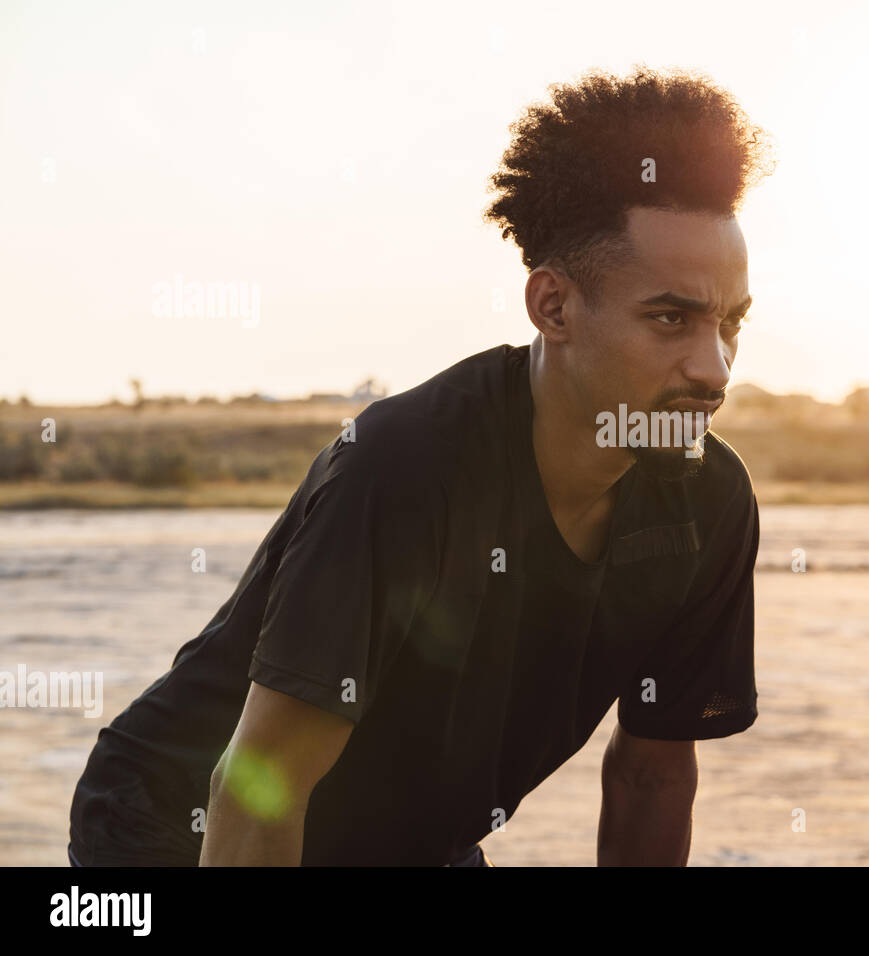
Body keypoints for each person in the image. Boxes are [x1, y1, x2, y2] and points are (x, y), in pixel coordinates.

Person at [68, 64, 775, 866]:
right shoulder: (404, 471)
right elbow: (257, 787)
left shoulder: (709, 502)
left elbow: (652, 775)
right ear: (553, 308)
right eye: (670, 319)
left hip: (410, 838)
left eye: (729, 324)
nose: (715, 369)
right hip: (181, 822)